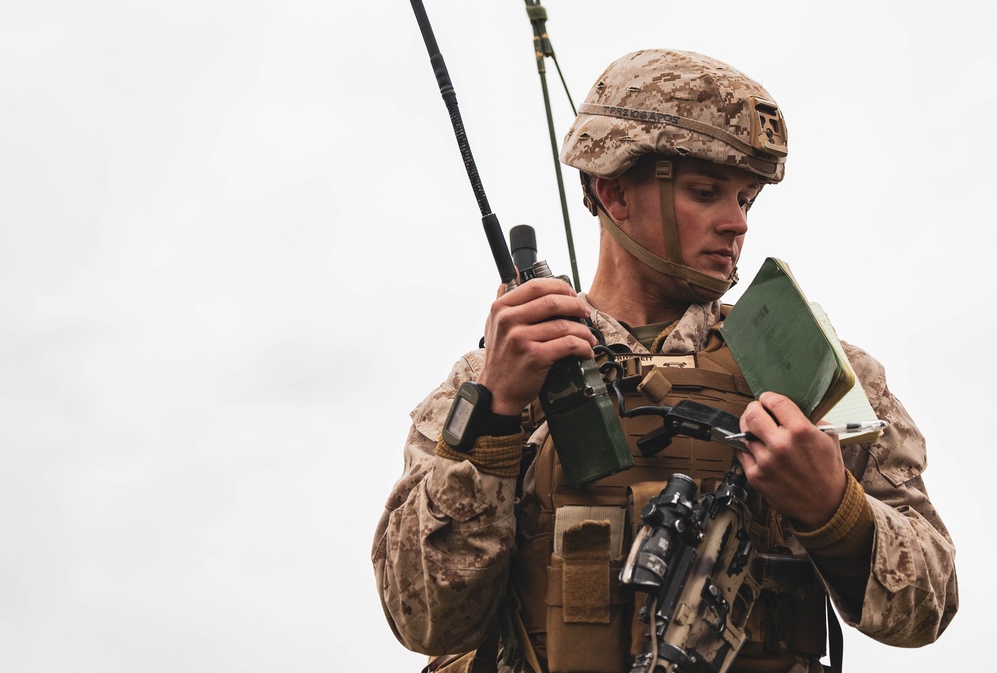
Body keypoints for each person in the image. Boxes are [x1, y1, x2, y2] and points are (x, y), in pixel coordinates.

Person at [373, 49, 957, 673]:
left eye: (747, 200)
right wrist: (495, 417)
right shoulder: (495, 380)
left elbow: (929, 603)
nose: (737, 225)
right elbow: (425, 618)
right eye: (707, 193)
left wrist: (832, 507)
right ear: (614, 191)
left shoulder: (805, 367)